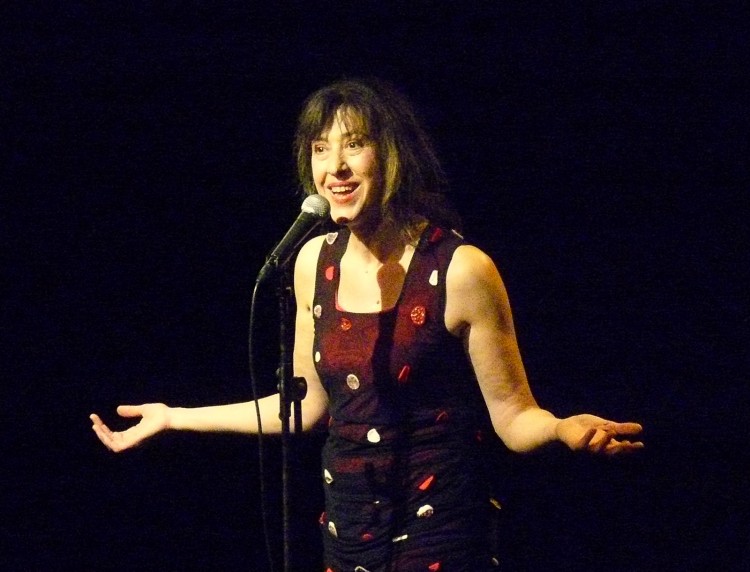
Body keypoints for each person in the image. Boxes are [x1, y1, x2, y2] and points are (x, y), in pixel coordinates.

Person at [90, 78, 643, 571]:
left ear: (392, 154)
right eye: (320, 148)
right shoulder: (312, 263)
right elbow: (305, 409)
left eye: (354, 144)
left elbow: (514, 416)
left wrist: (562, 429)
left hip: (440, 532)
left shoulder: (461, 269)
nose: (335, 167)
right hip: (348, 531)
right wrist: (174, 417)